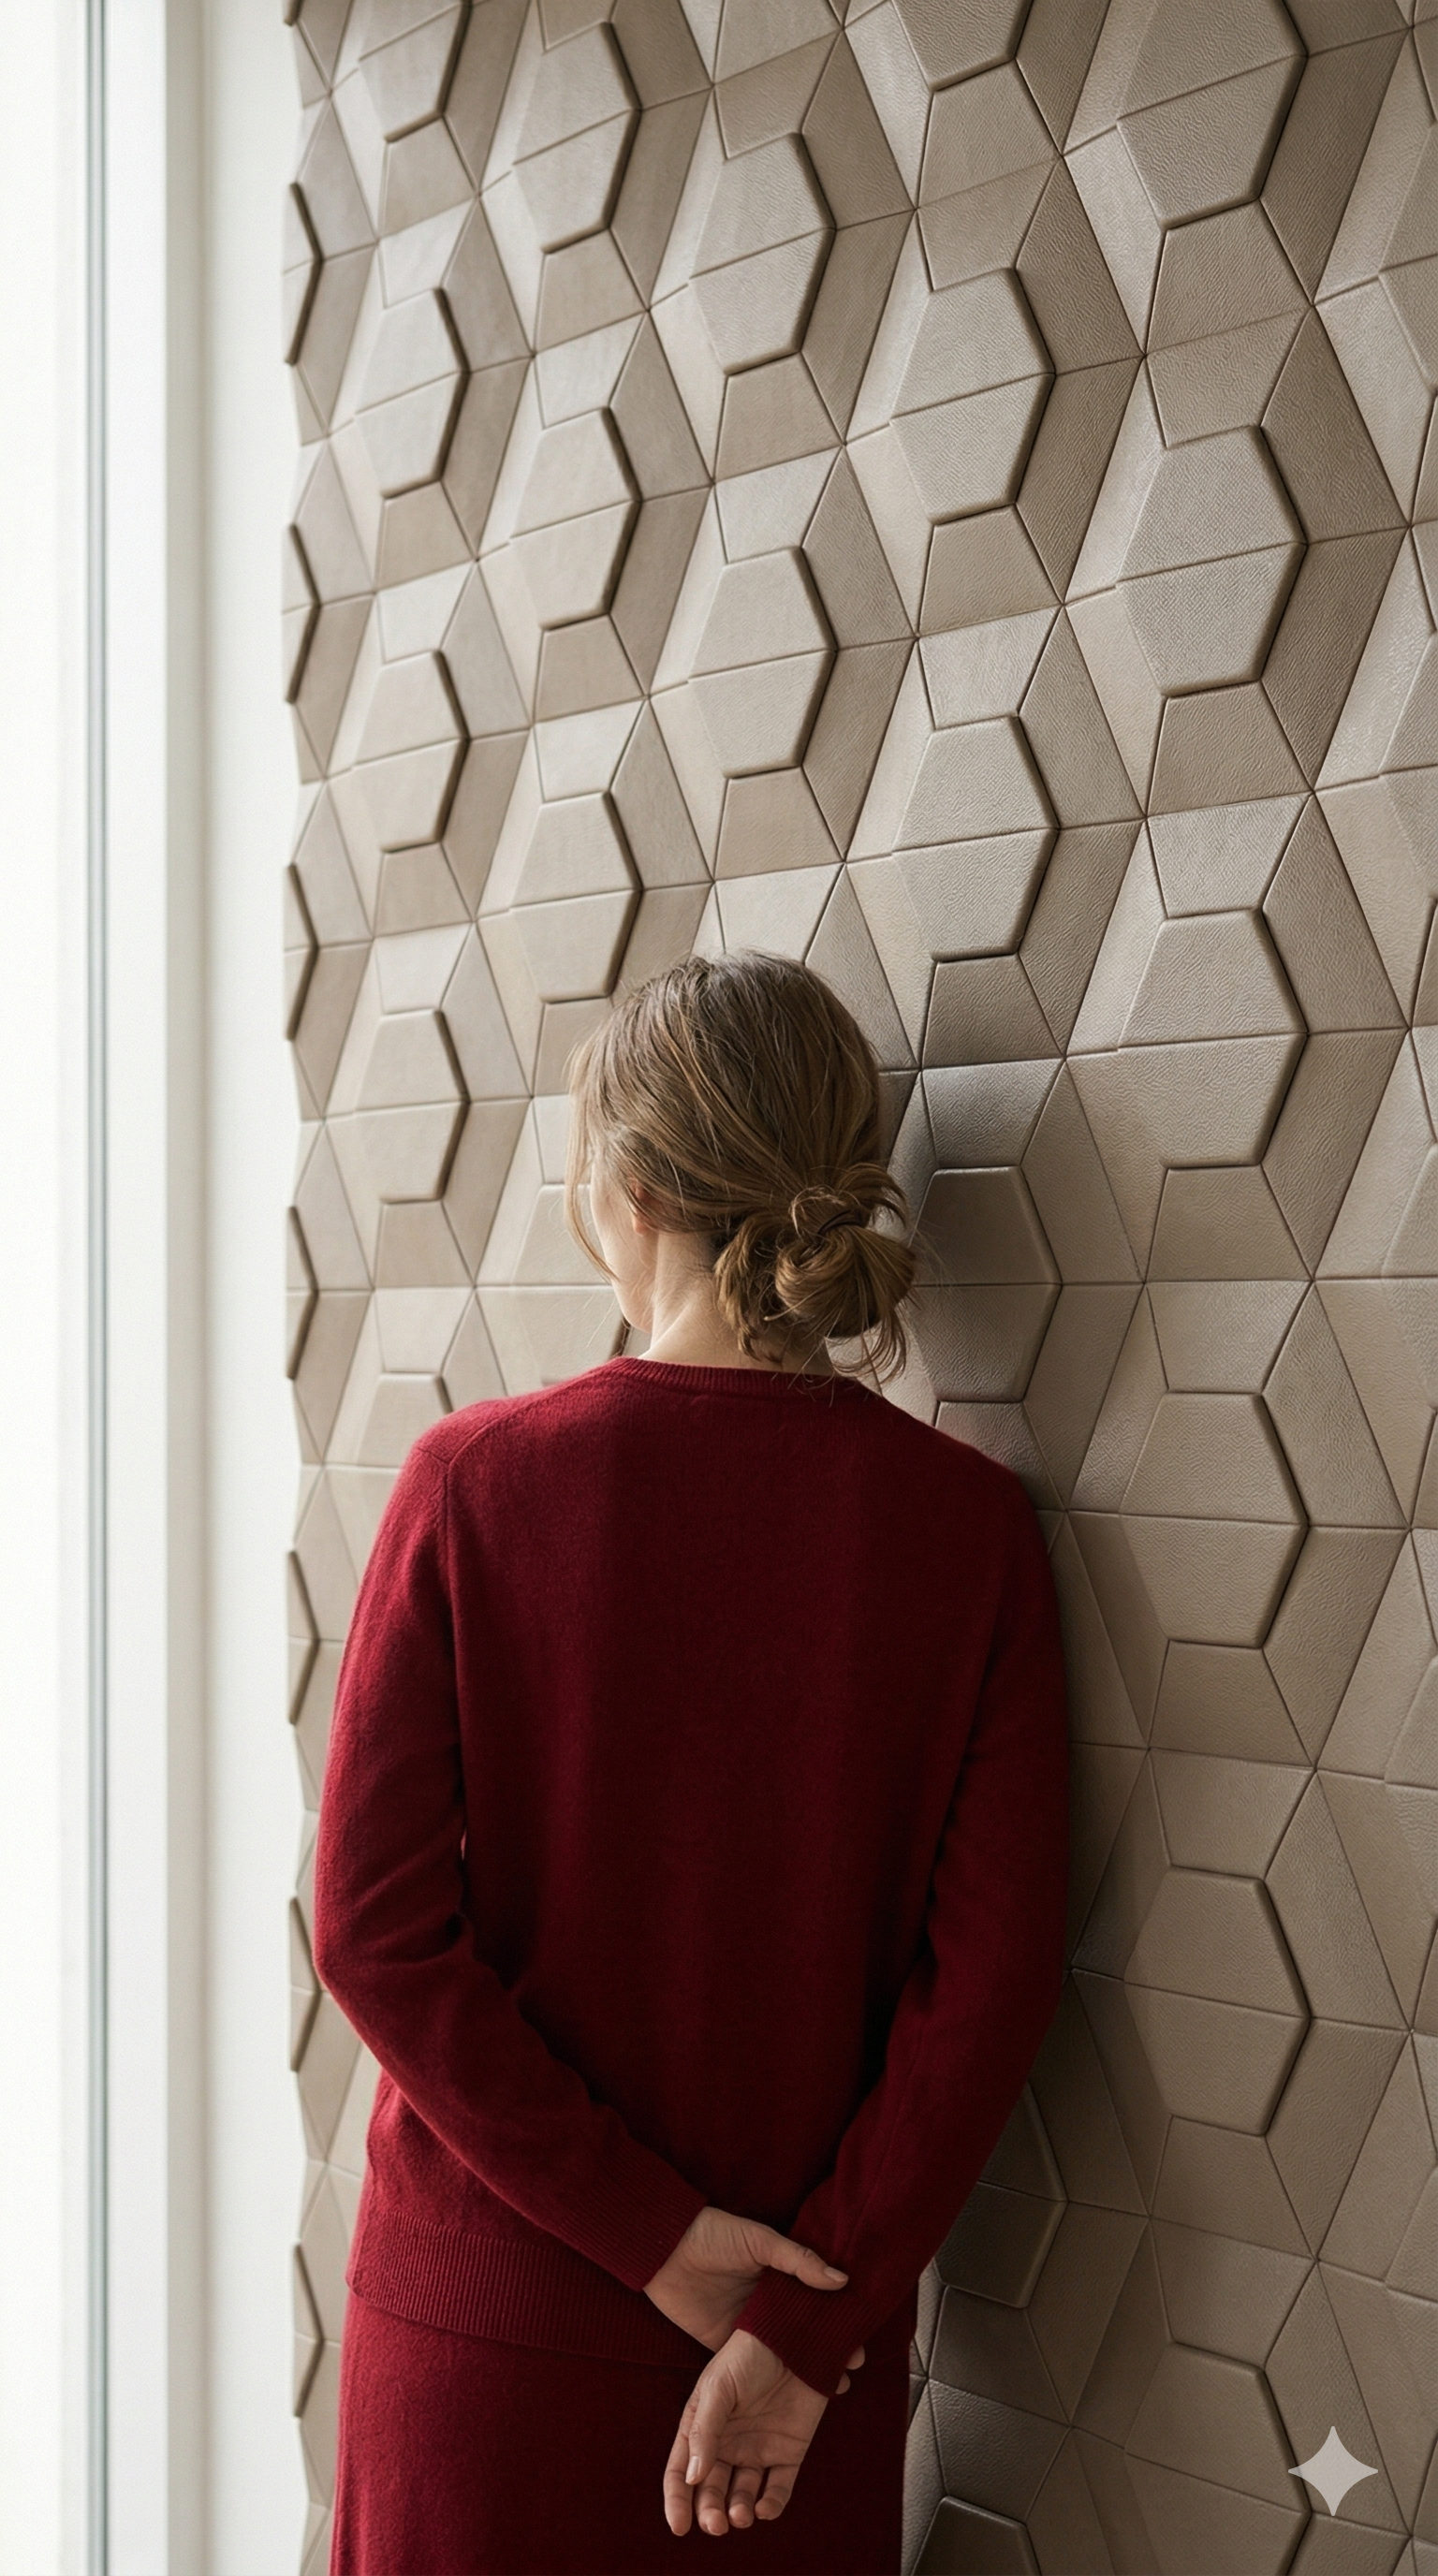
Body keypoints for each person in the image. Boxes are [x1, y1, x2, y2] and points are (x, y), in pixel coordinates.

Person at [313, 950, 1069, 2574]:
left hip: (490, 2346)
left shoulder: (471, 1485)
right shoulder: (972, 1535)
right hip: (795, 2379)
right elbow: (993, 1983)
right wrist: (804, 2327)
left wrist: (651, 2237)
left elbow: (373, 1935)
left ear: (632, 1188)